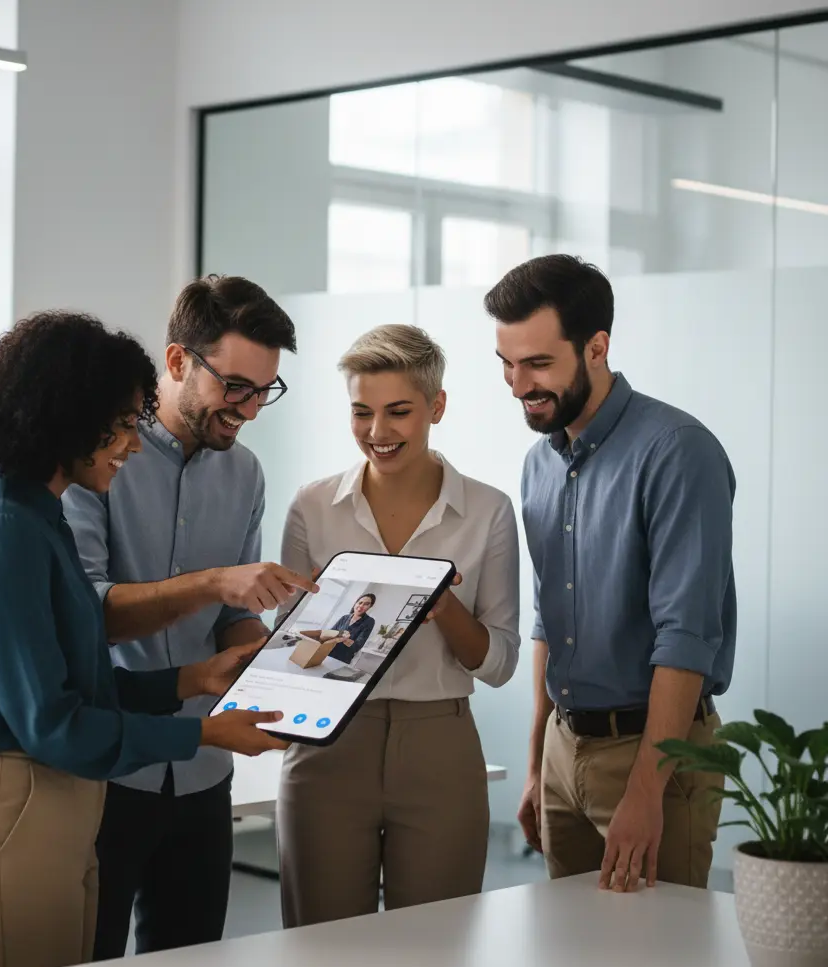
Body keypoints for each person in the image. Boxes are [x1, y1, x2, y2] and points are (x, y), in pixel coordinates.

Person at [0, 311, 287, 967]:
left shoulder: (39, 514)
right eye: (120, 424)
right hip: (12, 805)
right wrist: (203, 732)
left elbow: (78, 686)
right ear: (68, 418)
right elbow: (54, 723)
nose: (133, 443)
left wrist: (193, 678)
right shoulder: (4, 528)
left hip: (54, 803)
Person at [63, 276, 314, 960]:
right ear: (177, 363)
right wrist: (214, 582)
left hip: (206, 770)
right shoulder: (99, 454)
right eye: (237, 386)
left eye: (265, 391)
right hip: (110, 768)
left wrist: (276, 663)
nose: (251, 409)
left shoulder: (247, 476)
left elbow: (233, 618)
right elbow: (89, 615)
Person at [485, 254, 735, 894]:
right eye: (507, 364)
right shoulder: (539, 463)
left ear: (596, 348)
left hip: (655, 754)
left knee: (661, 965)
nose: (518, 385)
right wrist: (541, 760)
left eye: (538, 364)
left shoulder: (677, 451)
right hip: (564, 751)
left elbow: (686, 635)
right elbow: (549, 617)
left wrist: (649, 790)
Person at [276, 324, 520, 927]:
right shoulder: (311, 506)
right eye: (362, 412)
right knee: (321, 948)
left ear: (436, 406)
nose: (378, 433)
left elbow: (499, 662)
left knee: (435, 949)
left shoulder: (488, 511)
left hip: (440, 743)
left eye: (399, 412)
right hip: (327, 742)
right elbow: (285, 641)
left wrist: (439, 605)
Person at [328, 593, 376, 663]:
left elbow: (357, 645)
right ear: (356, 603)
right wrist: (343, 637)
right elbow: (330, 633)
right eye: (360, 602)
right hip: (328, 652)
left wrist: (339, 636)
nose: (361, 606)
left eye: (366, 604)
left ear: (370, 606)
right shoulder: (344, 617)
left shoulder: (369, 621)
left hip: (343, 658)